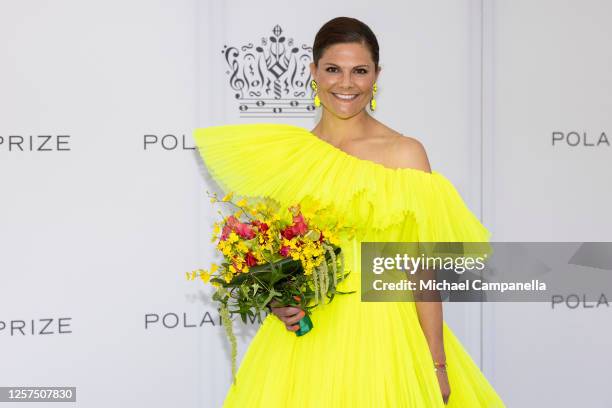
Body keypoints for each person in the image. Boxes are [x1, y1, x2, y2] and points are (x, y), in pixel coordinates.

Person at [195, 16, 505, 408]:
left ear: (376, 75)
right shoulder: (290, 156)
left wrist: (437, 365)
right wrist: (277, 301)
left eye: (359, 71)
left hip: (384, 336)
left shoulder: (404, 152)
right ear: (313, 72)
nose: (346, 84)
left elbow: (421, 270)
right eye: (333, 70)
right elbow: (280, 252)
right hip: (306, 341)